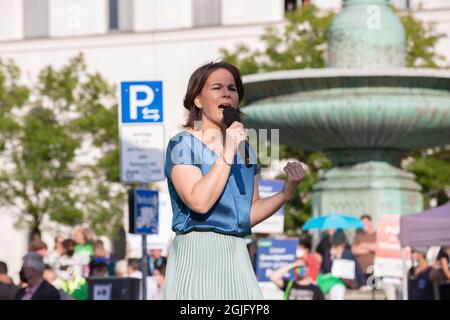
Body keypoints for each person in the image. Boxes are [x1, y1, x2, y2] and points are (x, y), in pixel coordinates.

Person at [163, 61, 304, 299]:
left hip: (237, 252)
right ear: (198, 100)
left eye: (232, 88)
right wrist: (228, 150)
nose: (227, 93)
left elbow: (248, 214)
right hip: (198, 253)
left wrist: (286, 192)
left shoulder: (244, 149)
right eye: (217, 87)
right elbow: (199, 202)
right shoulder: (182, 144)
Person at [351, 214, 377, 282]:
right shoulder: (358, 235)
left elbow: (377, 248)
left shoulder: (377, 235)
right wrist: (370, 249)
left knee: (374, 290)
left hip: (374, 270)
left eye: (365, 223)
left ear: (370, 222)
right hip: (360, 271)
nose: (364, 225)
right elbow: (354, 250)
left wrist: (363, 244)